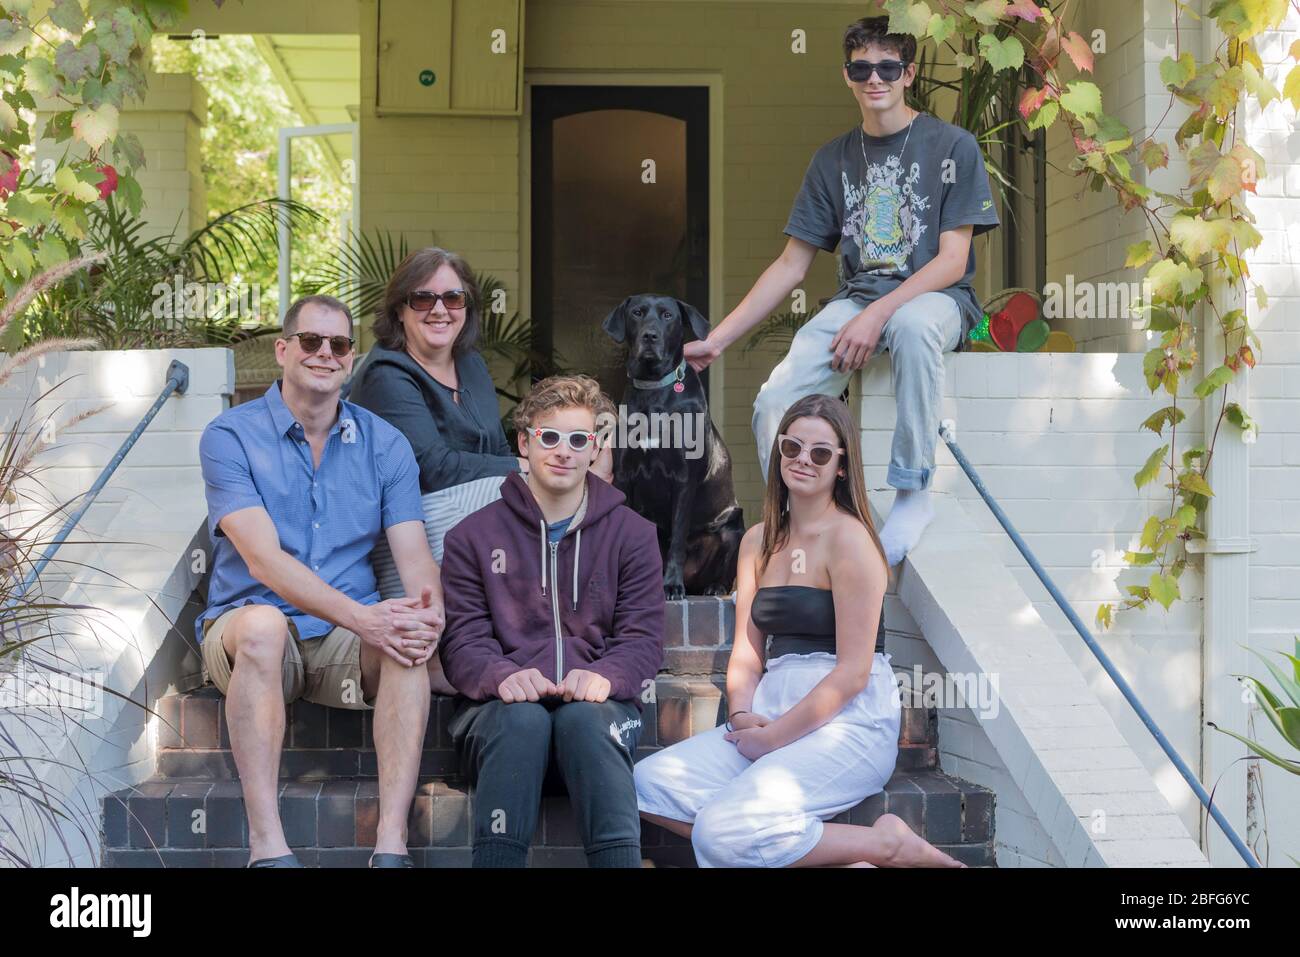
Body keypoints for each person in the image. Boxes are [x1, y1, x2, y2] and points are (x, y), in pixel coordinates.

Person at [685, 16, 1000, 567]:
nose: (874, 78)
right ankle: (803, 521)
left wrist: (877, 313)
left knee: (911, 322)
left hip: (936, 300)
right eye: (862, 68)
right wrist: (718, 340)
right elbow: (790, 266)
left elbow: (953, 262)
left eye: (887, 67)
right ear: (847, 75)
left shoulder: (952, 145)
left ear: (909, 73)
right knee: (774, 403)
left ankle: (911, 492)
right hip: (856, 301)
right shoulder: (833, 159)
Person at [633, 394, 965, 868]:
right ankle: (815, 853)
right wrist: (745, 714)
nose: (803, 460)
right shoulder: (757, 541)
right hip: (770, 711)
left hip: (848, 723)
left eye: (821, 452)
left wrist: (774, 740)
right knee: (648, 785)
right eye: (792, 448)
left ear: (842, 466)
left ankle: (886, 846)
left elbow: (853, 674)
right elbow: (748, 656)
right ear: (779, 453)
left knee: (720, 830)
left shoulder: (851, 541)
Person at [197, 294, 445, 868]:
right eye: (311, 341)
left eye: (338, 344)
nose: (325, 354)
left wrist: (428, 617)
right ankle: (268, 846)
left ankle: (391, 847)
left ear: (351, 358)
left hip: (341, 643)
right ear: (284, 350)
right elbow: (262, 563)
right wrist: (365, 619)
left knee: (405, 638)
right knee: (262, 627)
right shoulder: (230, 436)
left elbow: (415, 559)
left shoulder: (386, 444)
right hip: (249, 629)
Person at [438, 375, 664, 868]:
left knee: (587, 720)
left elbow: (643, 640)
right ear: (524, 442)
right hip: (501, 724)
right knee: (521, 720)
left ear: (594, 449)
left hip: (597, 721)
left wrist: (606, 677)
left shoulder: (634, 535)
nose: (564, 451)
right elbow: (462, 643)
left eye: (578, 439)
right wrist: (502, 677)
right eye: (550, 437)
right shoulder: (471, 537)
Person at [349, 247, 613, 613]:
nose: (440, 310)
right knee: (551, 486)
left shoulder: (469, 363)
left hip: (474, 519)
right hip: (413, 534)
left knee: (562, 488)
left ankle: (579, 618)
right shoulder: (386, 375)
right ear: (399, 308)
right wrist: (528, 468)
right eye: (423, 298)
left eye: (453, 298)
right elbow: (433, 467)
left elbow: (495, 451)